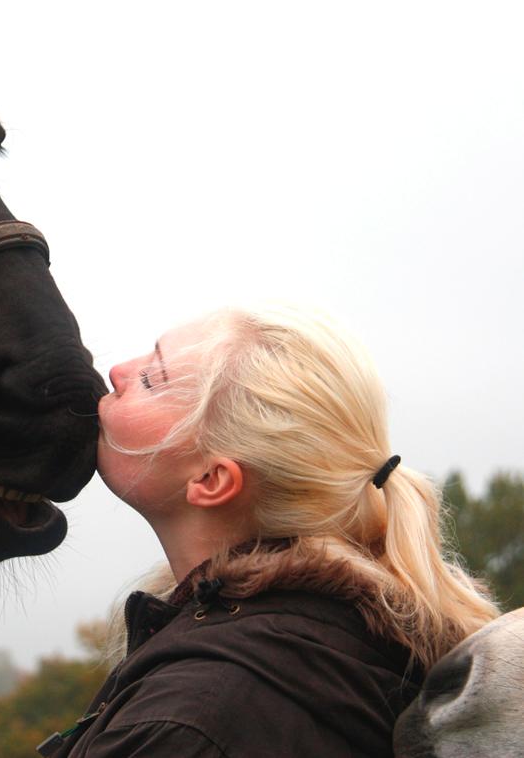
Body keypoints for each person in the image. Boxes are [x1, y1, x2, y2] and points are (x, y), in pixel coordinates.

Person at [39, 305, 500, 758]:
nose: (118, 371)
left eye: (150, 380)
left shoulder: (194, 722)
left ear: (211, 481)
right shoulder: (322, 647)